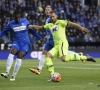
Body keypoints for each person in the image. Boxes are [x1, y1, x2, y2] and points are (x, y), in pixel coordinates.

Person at [28, 10, 96, 79]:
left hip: (62, 43)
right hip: (56, 45)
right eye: (50, 17)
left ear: (56, 16)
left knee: (63, 59)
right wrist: (31, 26)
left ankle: (85, 57)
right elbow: (39, 27)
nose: (52, 18)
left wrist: (80, 28)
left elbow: (72, 24)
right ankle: (52, 75)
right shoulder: (49, 25)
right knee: (47, 56)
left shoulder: (60, 22)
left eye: (53, 17)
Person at [0, 10, 41, 81]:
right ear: (13, 17)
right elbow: (3, 32)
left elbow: (31, 30)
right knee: (12, 50)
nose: (17, 19)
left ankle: (13, 75)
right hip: (16, 42)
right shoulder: (10, 24)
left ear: (20, 17)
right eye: (16, 18)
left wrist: (39, 37)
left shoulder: (25, 21)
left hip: (25, 44)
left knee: (20, 55)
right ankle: (7, 72)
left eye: (18, 17)